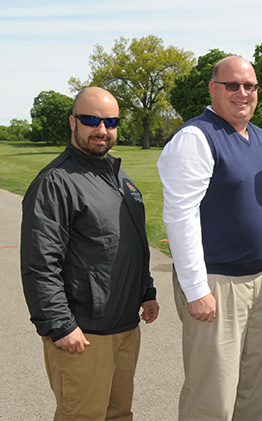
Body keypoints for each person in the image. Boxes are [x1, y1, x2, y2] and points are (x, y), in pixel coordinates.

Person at [157, 56, 262, 421]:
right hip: (217, 285)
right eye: (232, 85)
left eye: (250, 86)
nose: (242, 93)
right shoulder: (196, 137)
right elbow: (180, 215)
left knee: (258, 392)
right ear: (213, 89)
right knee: (212, 399)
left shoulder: (260, 137)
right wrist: (196, 289)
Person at [20, 86, 159, 421]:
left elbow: (126, 242)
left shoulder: (118, 176)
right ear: (73, 122)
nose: (102, 129)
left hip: (125, 328)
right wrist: (60, 325)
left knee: (118, 414)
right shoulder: (55, 182)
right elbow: (40, 264)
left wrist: (146, 291)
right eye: (91, 119)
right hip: (83, 334)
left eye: (110, 121)